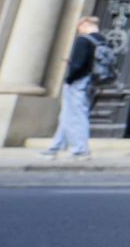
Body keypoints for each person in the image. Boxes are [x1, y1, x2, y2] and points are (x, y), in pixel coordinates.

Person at [40, 16, 105, 160]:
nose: (78, 30)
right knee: (67, 114)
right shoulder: (102, 41)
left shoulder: (84, 40)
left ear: (85, 24)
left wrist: (70, 78)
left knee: (77, 115)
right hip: (93, 82)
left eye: (79, 27)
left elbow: (79, 64)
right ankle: (55, 147)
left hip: (79, 82)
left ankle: (81, 150)